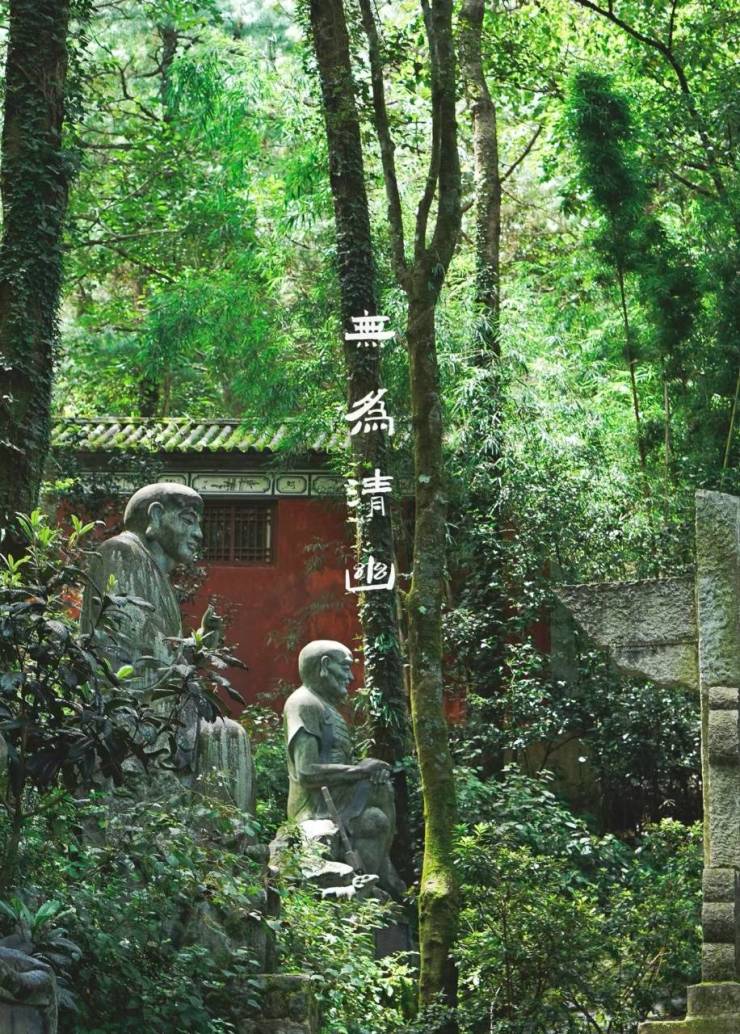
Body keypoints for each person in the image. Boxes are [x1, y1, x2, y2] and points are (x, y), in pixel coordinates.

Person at [284, 639, 405, 897]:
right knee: (378, 793)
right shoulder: (304, 703)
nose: (350, 677)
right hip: (314, 805)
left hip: (337, 798)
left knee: (376, 811)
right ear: (325, 664)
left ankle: (380, 870)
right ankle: (382, 873)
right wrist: (361, 771)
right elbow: (306, 772)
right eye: (345, 667)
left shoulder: (325, 707)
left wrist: (366, 770)